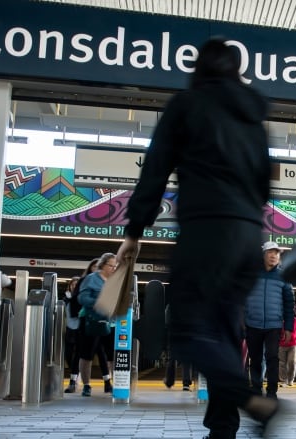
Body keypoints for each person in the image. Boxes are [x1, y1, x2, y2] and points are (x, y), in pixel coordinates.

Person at [115, 37, 283, 439]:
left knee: (187, 334)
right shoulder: (254, 118)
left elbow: (154, 169)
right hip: (247, 237)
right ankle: (222, 428)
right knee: (225, 335)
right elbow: (265, 185)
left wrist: (134, 231)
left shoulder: (187, 105)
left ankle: (253, 402)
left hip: (206, 230)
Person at [245, 241, 295, 399]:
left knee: (272, 357)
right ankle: (256, 387)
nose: (273, 255)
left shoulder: (284, 277)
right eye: (270, 252)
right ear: (263, 255)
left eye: (277, 253)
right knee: (255, 358)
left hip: (274, 325)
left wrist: (288, 328)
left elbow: (289, 304)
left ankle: (272, 390)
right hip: (253, 323)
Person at [76, 252, 117, 397]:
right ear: (103, 264)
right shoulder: (91, 279)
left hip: (110, 322)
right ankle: (86, 385)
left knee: (112, 354)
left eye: (115, 266)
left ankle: (114, 384)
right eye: (111, 265)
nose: (113, 268)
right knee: (87, 354)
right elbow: (82, 298)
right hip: (91, 321)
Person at [63, 276, 81, 393]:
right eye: (72, 284)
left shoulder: (82, 298)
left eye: (76, 284)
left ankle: (72, 382)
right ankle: (75, 374)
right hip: (69, 330)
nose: (74, 286)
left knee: (76, 357)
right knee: (68, 355)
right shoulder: (65, 300)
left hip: (80, 331)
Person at [278, 315, 296, 388]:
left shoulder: (295, 320)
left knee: (292, 362)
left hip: (294, 344)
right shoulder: (279, 320)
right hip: (281, 344)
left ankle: (291, 380)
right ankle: (284, 380)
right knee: (282, 363)